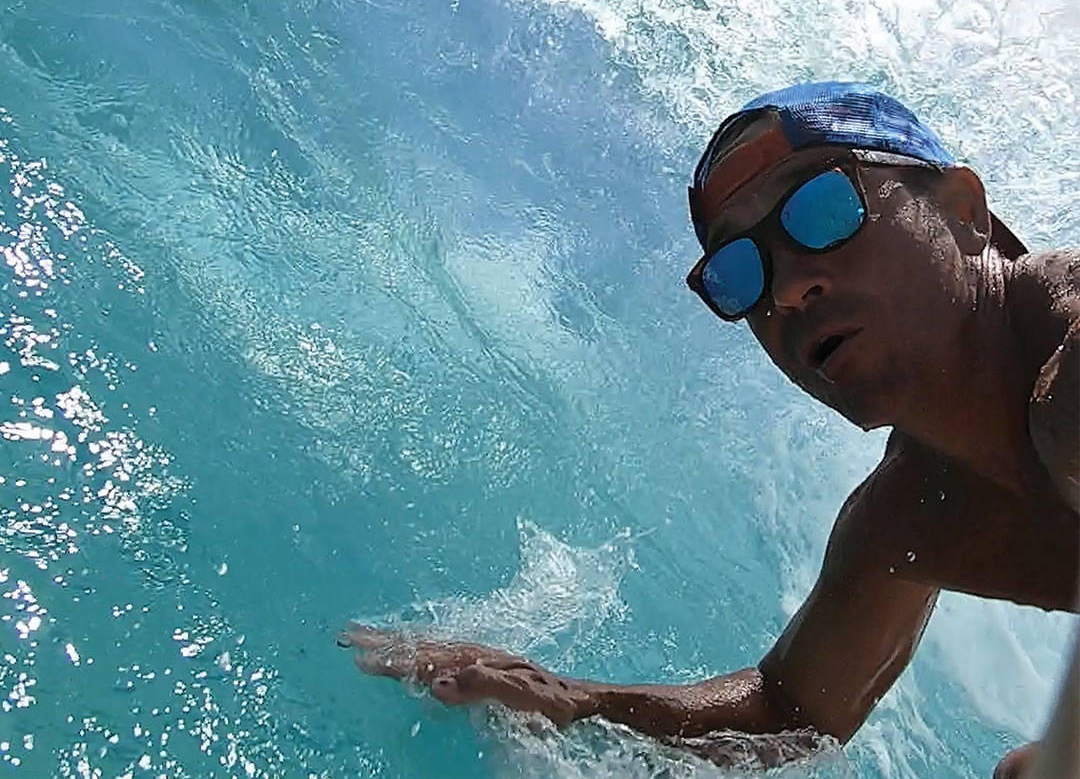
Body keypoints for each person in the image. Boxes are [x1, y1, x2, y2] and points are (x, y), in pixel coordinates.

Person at [339, 82, 1079, 777]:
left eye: (824, 210)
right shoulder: (907, 518)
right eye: (742, 271)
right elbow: (790, 714)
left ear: (965, 212)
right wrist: (574, 701)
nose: (788, 288)